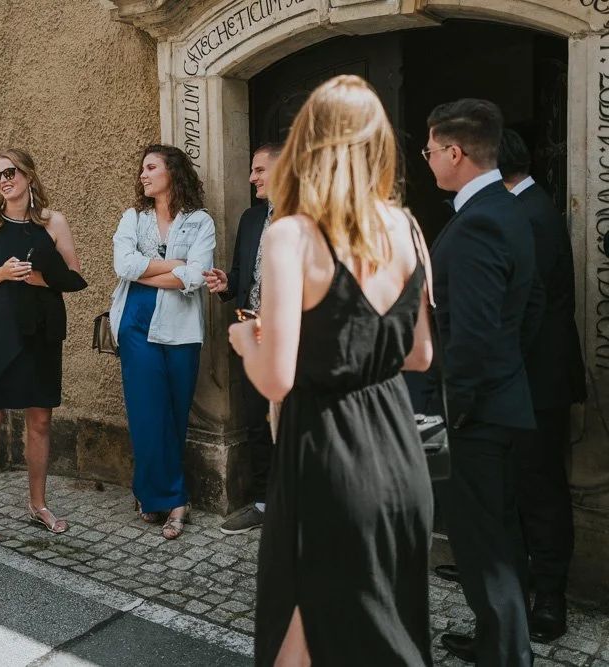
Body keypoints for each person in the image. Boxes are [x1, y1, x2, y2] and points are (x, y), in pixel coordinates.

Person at [230, 74, 434, 666]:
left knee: (302, 628)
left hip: (326, 456)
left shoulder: (290, 234)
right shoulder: (407, 228)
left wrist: (246, 339)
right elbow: (419, 354)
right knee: (372, 637)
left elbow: (275, 379)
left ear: (306, 144)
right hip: (399, 456)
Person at [425, 99, 541, 666]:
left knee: (484, 541)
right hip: (500, 400)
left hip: (475, 414)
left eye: (428, 150)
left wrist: (459, 411)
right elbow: (530, 311)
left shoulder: (478, 222)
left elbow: (471, 337)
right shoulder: (507, 208)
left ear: (454, 151)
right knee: (494, 536)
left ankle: (506, 653)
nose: (427, 161)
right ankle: (497, 637)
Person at [0, 148, 85, 544]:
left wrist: (41, 280)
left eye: (10, 172)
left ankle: (38, 504)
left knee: (41, 420)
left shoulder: (54, 222)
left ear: (29, 175)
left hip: (40, 333)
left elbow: (74, 276)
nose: (3, 180)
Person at [499, 128, 585, 642]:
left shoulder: (528, 215)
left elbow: (524, 309)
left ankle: (549, 596)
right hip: (526, 379)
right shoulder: (529, 206)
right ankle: (518, 575)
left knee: (541, 489)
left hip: (535, 380)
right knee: (519, 485)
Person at [112, 144, 216, 540]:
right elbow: (124, 266)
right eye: (142, 168)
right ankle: (173, 500)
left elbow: (196, 277)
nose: (143, 174)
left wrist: (152, 272)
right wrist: (175, 267)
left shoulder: (201, 222)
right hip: (137, 322)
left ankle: (151, 493)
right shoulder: (132, 219)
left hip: (182, 328)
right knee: (146, 413)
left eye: (151, 167)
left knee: (173, 412)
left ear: (172, 171)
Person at [203, 142, 280, 536]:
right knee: (256, 422)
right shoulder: (251, 219)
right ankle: (265, 503)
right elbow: (240, 273)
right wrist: (225, 283)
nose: (252, 178)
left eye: (260, 170)